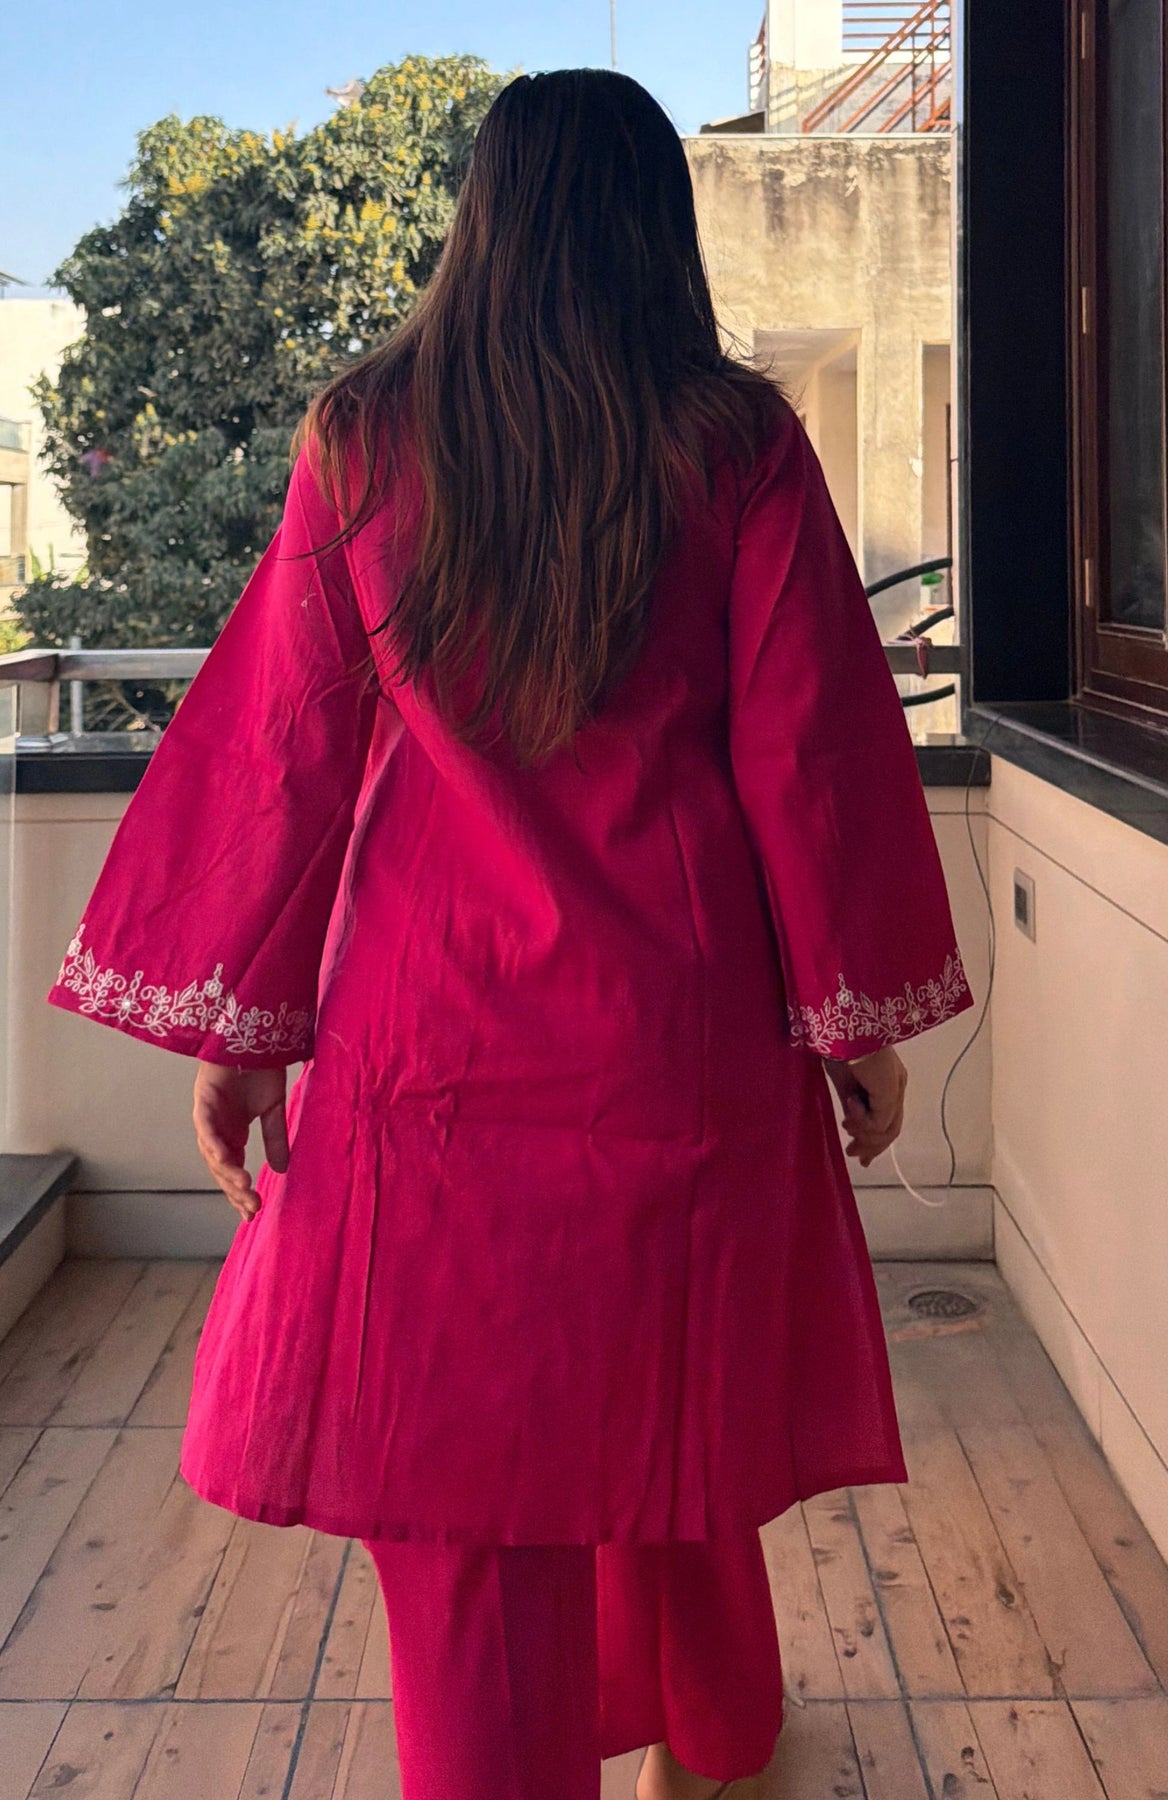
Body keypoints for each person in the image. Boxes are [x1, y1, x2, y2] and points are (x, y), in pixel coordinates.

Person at [46, 67, 972, 1800]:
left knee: (466, 1485)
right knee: (664, 1393)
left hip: (428, 1042)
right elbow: (806, 755)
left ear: (480, 218)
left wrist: (245, 1041)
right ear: (655, 224)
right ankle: (720, 1737)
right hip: (679, 1028)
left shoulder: (364, 437)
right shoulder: (732, 442)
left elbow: (287, 754)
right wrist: (852, 1021)